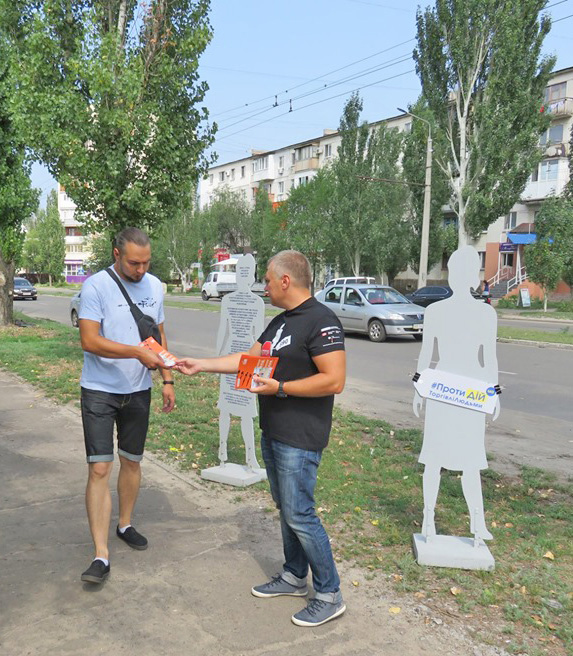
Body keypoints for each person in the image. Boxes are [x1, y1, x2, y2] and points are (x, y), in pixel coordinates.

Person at [174, 250, 347, 627]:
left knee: (300, 513)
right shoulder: (282, 322)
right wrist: (200, 364)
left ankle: (330, 593)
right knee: (287, 509)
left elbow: (334, 380)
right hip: (275, 432)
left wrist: (280, 387)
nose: (263, 286)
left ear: (286, 280)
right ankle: (293, 576)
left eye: (267, 280)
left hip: (300, 438)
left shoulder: (321, 320)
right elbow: (246, 360)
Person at [78, 227, 174, 584]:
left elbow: (158, 334)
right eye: (134, 263)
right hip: (100, 390)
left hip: (138, 391)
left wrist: (167, 378)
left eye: (146, 262)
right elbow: (89, 340)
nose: (141, 270)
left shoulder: (155, 286)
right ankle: (100, 555)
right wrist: (135, 351)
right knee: (100, 469)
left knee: (132, 461)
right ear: (116, 254)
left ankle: (125, 523)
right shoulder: (95, 287)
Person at [413, 246, 500, 541]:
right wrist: (419, 388)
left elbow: (490, 357)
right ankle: (429, 521)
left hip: (465, 391)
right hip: (451, 389)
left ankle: (476, 522)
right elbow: (426, 354)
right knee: (443, 458)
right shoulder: (439, 311)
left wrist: (494, 392)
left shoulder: (484, 313)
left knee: (468, 458)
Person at [215, 254, 264, 469]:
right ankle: (223, 449)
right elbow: (222, 332)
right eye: (241, 272)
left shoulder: (257, 302)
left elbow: (260, 338)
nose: (244, 276)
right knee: (226, 406)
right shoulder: (228, 300)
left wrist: (260, 368)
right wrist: (217, 362)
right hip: (230, 356)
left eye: (247, 272)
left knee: (246, 408)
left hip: (246, 359)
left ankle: (250, 457)